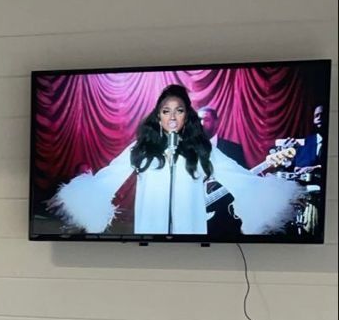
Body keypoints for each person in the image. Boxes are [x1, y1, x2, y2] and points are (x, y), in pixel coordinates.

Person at [51, 84, 302, 237]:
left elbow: (240, 179)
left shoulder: (203, 150)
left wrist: (265, 196)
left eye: (179, 110)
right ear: (158, 116)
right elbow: (108, 178)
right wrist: (84, 200)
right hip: (149, 240)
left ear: (187, 116)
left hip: (191, 240)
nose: (172, 116)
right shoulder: (142, 148)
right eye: (166, 110)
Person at [197, 105, 246, 237]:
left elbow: (244, 181)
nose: (201, 124)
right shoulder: (189, 150)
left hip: (227, 218)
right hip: (196, 219)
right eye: (198, 120)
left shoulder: (233, 149)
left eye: (206, 119)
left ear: (216, 122)